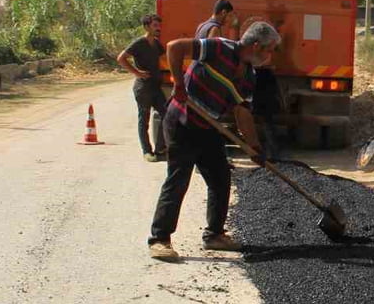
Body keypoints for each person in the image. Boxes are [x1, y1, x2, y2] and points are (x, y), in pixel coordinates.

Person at [147, 21, 281, 261]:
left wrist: (255, 148)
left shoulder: (249, 76)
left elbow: (242, 112)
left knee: (220, 178)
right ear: (256, 45)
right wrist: (178, 83)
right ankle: (160, 239)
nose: (270, 56)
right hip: (182, 121)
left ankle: (214, 235)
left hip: (208, 128)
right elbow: (174, 47)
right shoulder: (218, 48)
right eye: (269, 50)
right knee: (178, 179)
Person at [116, 14, 168, 161]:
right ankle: (147, 151)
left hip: (155, 87)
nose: (158, 28)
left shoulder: (156, 43)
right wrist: (137, 73)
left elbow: (165, 58)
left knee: (166, 114)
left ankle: (160, 149)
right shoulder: (139, 43)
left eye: (159, 25)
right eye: (155, 26)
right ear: (146, 27)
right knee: (144, 119)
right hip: (143, 88)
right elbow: (121, 58)